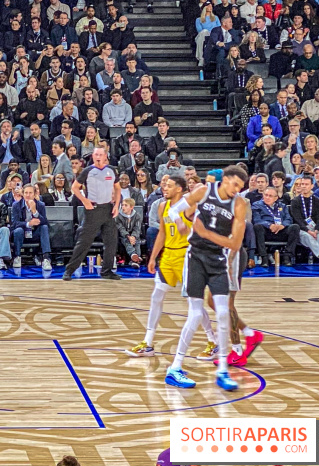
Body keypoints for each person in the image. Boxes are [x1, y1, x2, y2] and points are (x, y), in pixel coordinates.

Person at [164, 165, 248, 392]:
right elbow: (174, 211)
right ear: (226, 180)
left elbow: (235, 243)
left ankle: (222, 370)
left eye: (241, 188)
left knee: (222, 312)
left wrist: (205, 233)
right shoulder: (203, 191)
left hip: (219, 261)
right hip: (196, 258)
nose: (237, 190)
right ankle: (175, 368)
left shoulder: (240, 204)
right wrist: (181, 223)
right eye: (235, 185)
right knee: (194, 314)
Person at [126, 175, 218, 358]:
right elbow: (162, 232)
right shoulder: (162, 206)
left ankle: (213, 341)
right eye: (163, 185)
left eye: (168, 185)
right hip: (168, 255)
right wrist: (153, 257)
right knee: (156, 296)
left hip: (187, 255)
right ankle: (148, 342)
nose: (164, 187)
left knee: (194, 303)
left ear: (179, 189)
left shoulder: (189, 206)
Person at [63, 146, 121, 281]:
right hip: (92, 210)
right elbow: (74, 188)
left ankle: (107, 271)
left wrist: (117, 205)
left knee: (111, 242)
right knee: (84, 242)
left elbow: (117, 188)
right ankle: (69, 270)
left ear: (105, 156)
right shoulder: (88, 171)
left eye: (100, 154)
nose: (98, 156)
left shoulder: (111, 170)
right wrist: (84, 201)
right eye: (96, 154)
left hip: (108, 210)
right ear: (93, 157)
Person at [251, 186, 299, 267]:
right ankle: (264, 257)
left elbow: (288, 219)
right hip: (266, 231)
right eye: (266, 195)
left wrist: (282, 225)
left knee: (295, 227)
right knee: (257, 226)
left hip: (281, 230)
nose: (267, 197)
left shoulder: (282, 206)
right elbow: (257, 219)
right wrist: (269, 225)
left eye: (270, 196)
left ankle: (287, 256)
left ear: (276, 198)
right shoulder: (257, 205)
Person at [11, 184, 52, 270]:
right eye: (26, 193)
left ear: (34, 194)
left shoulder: (40, 205)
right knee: (18, 230)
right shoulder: (16, 205)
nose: (28, 195)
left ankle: (46, 258)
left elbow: (45, 222)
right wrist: (28, 224)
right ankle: (17, 257)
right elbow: (14, 223)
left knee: (44, 227)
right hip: (22, 233)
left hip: (35, 233)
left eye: (30, 193)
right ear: (22, 193)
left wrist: (34, 211)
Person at [290, 176, 319, 270]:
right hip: (302, 229)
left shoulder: (317, 200)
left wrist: (317, 229)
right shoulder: (295, 201)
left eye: (306, 184)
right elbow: (297, 219)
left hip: (315, 228)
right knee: (308, 237)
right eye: (302, 184)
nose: (303, 186)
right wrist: (308, 230)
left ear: (311, 186)